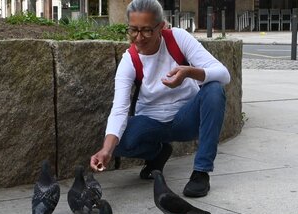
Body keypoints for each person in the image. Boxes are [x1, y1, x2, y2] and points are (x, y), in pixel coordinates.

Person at [90, 0, 230, 198]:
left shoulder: (177, 39)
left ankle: (201, 172)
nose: (139, 38)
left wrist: (190, 72)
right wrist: (106, 150)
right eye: (133, 30)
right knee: (117, 142)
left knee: (214, 90)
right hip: (151, 122)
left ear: (161, 27)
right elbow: (120, 108)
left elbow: (223, 74)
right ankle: (158, 153)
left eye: (146, 30)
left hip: (186, 119)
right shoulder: (130, 59)